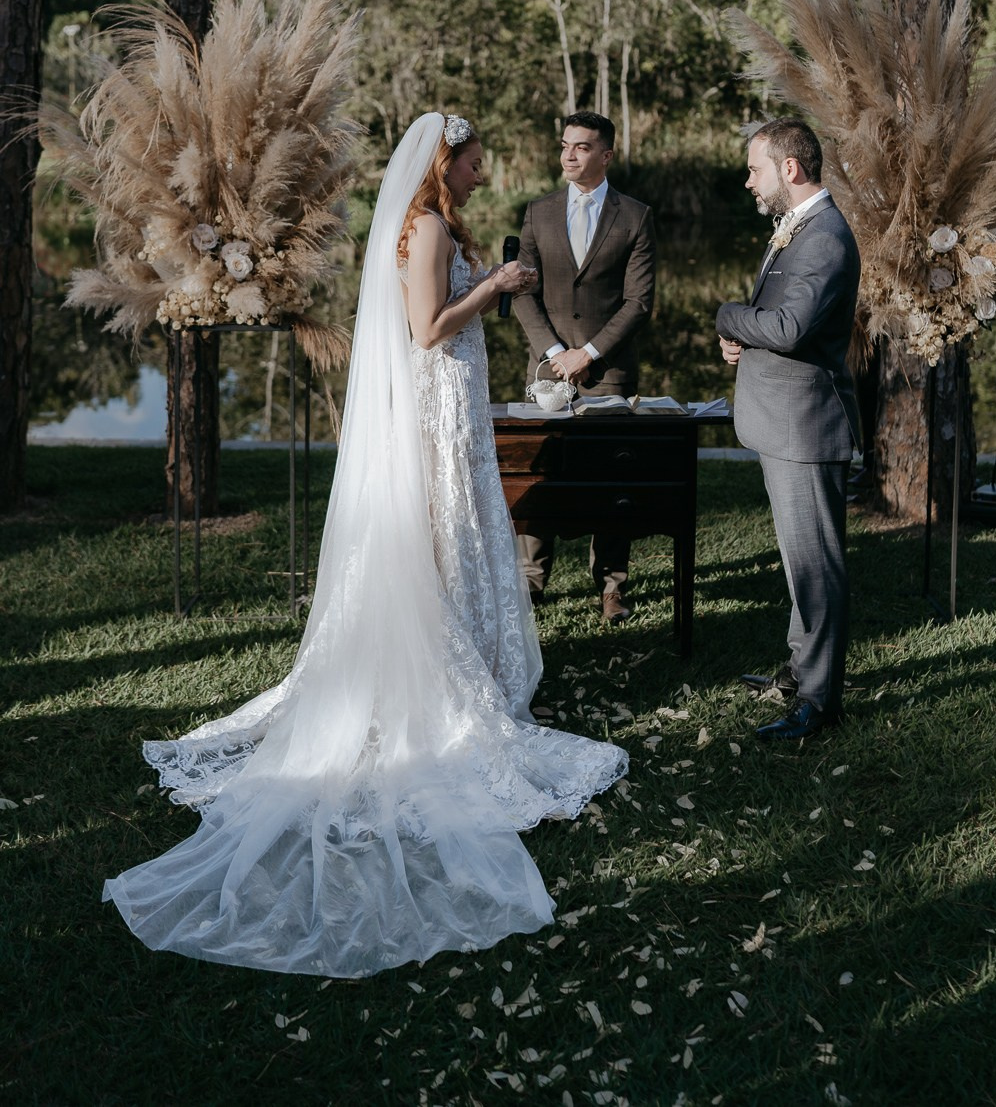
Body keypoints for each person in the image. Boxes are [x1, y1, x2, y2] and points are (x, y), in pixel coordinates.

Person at [103, 113, 628, 978]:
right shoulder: (423, 228)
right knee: (442, 528)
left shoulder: (441, 222)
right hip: (436, 391)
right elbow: (426, 329)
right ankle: (442, 679)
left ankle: (474, 664)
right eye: (473, 154)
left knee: (458, 528)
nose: (484, 164)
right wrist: (493, 287)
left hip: (455, 399)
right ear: (444, 162)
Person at [715, 118, 860, 742]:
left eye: (756, 169)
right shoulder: (795, 229)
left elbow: (787, 329)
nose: (749, 180)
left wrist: (728, 315)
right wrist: (741, 336)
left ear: (790, 170)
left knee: (816, 566)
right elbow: (773, 321)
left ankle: (819, 703)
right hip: (781, 421)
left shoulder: (824, 237)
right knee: (798, 561)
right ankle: (800, 672)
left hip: (806, 426)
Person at [513, 111, 656, 621]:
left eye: (581, 146)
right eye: (565, 145)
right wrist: (555, 354)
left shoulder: (635, 216)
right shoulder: (537, 213)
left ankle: (612, 587)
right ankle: (531, 582)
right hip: (546, 370)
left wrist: (589, 353)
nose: (569, 155)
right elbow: (522, 293)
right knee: (539, 471)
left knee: (610, 480)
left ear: (606, 155)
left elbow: (639, 303)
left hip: (608, 370)